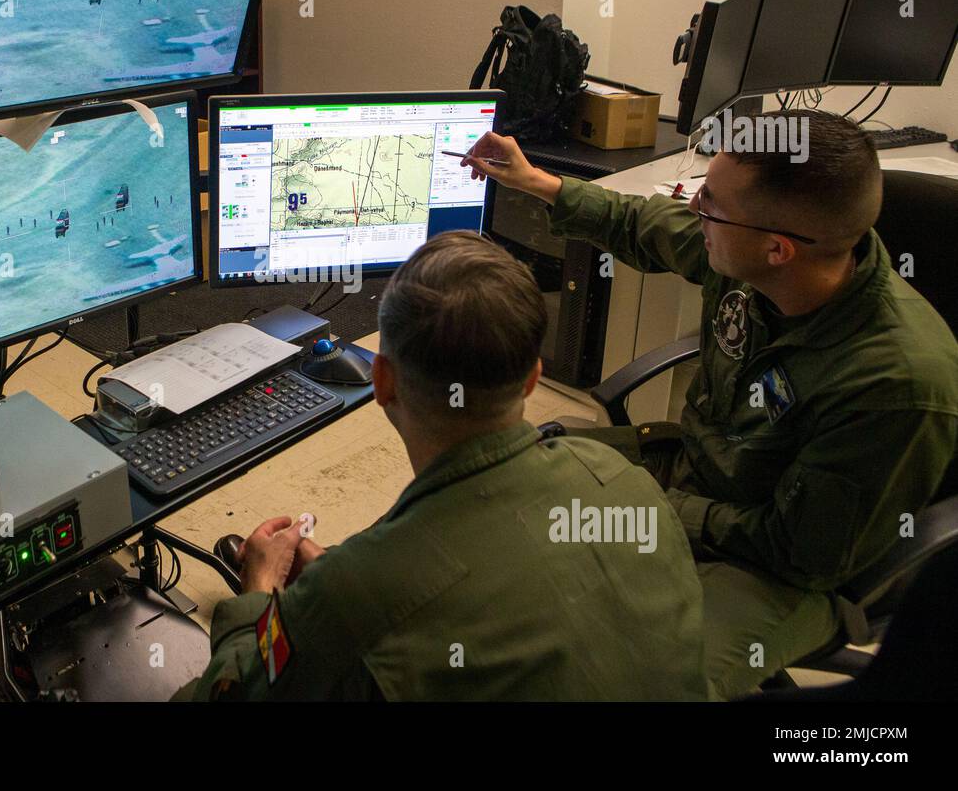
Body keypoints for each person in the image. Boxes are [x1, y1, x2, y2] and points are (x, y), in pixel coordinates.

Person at [459, 109, 958, 698]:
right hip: (696, 469)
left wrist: (661, 512)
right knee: (489, 478)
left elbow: (803, 552)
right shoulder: (758, 256)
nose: (695, 208)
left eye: (711, 204)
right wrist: (535, 181)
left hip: (778, 571)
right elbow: (643, 222)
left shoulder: (896, 384)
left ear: (777, 250)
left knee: (642, 682)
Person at [179, 231, 707, 701]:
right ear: (531, 378)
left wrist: (260, 595)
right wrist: (341, 587)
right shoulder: (622, 478)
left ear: (381, 381)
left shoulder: (355, 593)